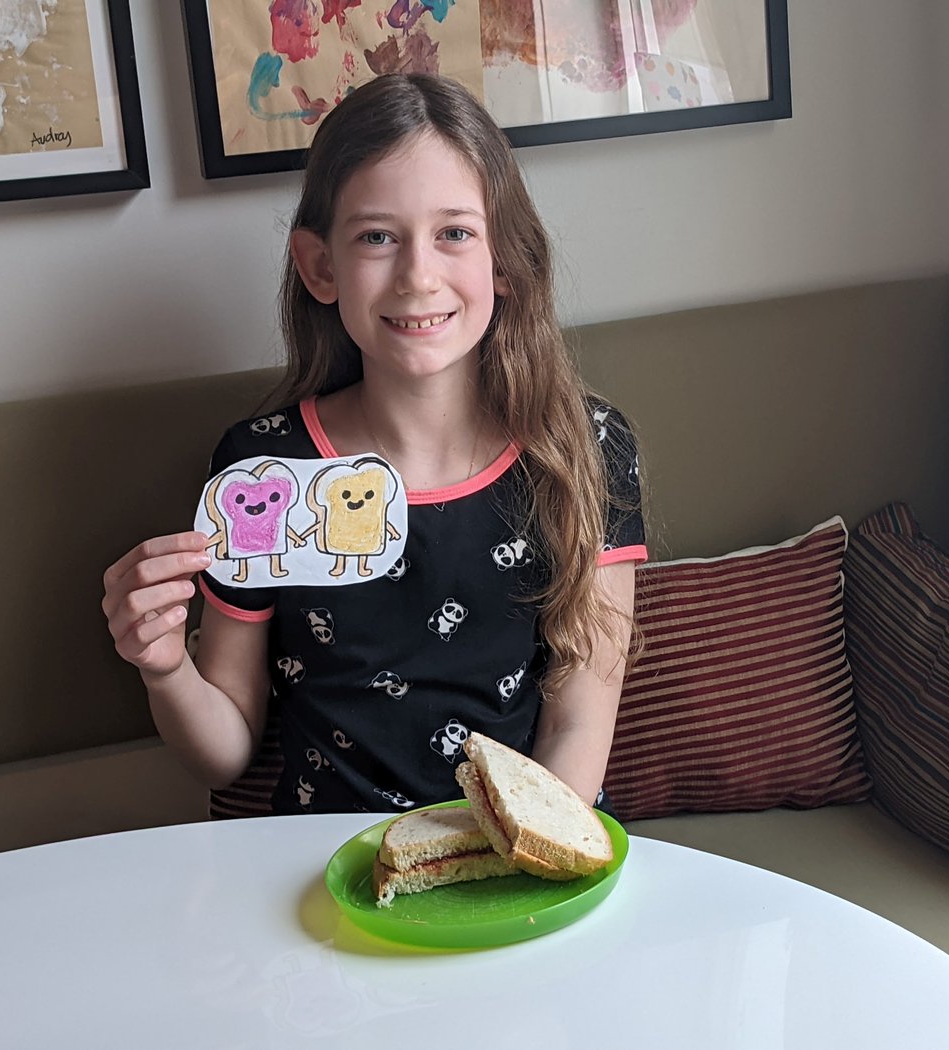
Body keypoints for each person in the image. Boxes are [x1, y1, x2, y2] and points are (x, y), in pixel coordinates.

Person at [101, 73, 645, 816]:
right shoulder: (265, 472)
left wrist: (505, 870)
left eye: (455, 233)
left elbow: (580, 723)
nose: (418, 276)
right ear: (320, 266)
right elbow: (223, 754)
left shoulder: (586, 446)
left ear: (505, 260)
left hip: (531, 854)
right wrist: (164, 668)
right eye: (377, 237)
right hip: (321, 868)